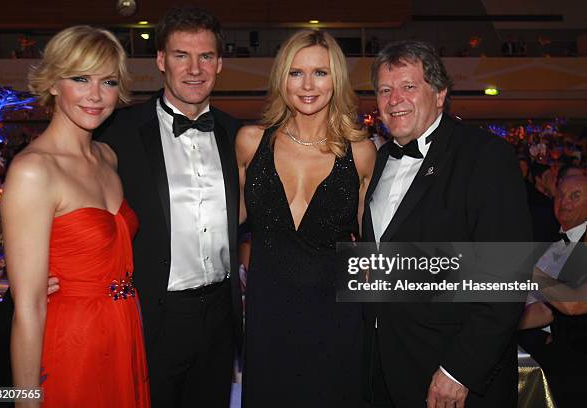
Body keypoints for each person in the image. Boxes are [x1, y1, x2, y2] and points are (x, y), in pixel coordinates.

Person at [362, 40, 532, 407]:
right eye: (385, 90)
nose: (395, 99)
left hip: (450, 376)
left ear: (440, 95)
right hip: (382, 369)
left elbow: (507, 279)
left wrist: (460, 370)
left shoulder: (483, 156)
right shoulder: (374, 162)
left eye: (409, 87)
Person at [94, 7, 242, 407]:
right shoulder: (118, 131)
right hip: (152, 316)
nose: (195, 69)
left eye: (206, 56)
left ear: (220, 63)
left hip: (220, 318)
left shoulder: (238, 135)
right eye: (181, 55)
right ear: (161, 61)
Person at [2, 26, 149, 407]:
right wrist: (25, 398)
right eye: (80, 79)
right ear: (53, 83)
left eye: (109, 81)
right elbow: (30, 307)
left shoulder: (107, 157)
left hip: (122, 332)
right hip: (71, 343)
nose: (96, 95)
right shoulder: (34, 171)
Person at [236, 29, 376, 406]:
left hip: (337, 322)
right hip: (269, 321)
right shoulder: (251, 142)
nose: (308, 84)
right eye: (296, 73)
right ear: (282, 79)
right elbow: (216, 224)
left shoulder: (361, 152)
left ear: (337, 80)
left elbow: (372, 248)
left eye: (321, 72)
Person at [518, 174, 587, 407]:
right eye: (560, 195)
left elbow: (573, 305)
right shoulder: (547, 233)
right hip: (555, 346)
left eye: (575, 196)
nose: (564, 201)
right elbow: (547, 309)